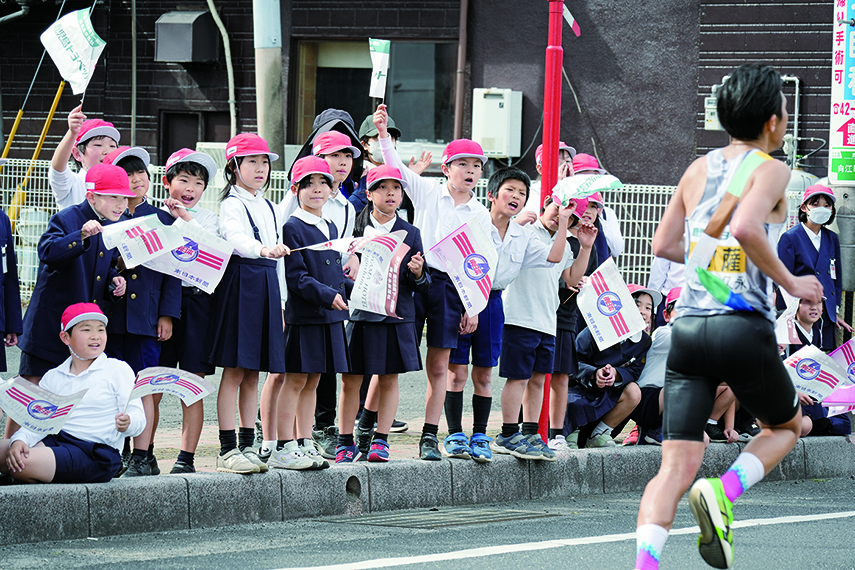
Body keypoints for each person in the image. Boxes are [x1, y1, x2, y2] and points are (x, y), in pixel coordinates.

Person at [633, 63, 823, 570]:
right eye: (785, 109)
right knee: (787, 426)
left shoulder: (696, 170)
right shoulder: (771, 167)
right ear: (772, 121)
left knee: (674, 468)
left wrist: (712, 262)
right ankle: (724, 492)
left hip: (688, 327)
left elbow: (664, 244)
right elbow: (745, 227)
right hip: (741, 326)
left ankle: (645, 565)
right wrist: (791, 282)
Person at [374, 103, 493, 460]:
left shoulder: (480, 213)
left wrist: (474, 305)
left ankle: (429, 435)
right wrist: (383, 134)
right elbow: (395, 168)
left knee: (440, 365)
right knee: (392, 358)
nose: (470, 171)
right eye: (462, 164)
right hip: (414, 279)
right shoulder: (428, 192)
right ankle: (371, 429)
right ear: (446, 168)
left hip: (452, 289)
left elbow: (480, 264)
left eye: (476, 166)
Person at [445, 168, 587, 462]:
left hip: (499, 303)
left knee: (485, 374)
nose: (516, 196)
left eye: (522, 193)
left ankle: (484, 436)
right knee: (456, 372)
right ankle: (456, 434)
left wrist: (565, 223)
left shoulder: (522, 235)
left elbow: (555, 259)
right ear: (492, 195)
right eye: (510, 190)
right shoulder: (477, 223)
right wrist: (469, 305)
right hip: (469, 297)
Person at [202, 133, 289, 475]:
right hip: (241, 283)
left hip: (267, 285)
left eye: (264, 161)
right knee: (235, 369)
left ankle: (248, 444)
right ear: (234, 167)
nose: (260, 168)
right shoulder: (231, 204)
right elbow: (235, 237)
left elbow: (279, 262)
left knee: (254, 371)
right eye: (252, 161)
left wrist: (281, 303)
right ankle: (227, 448)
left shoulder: (270, 206)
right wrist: (262, 249)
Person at [336, 165, 430, 463]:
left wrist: (418, 273)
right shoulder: (354, 227)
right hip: (360, 314)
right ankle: (344, 440)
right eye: (382, 187)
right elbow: (339, 270)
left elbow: (421, 283)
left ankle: (381, 439)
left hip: (396, 315)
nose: (391, 193)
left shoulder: (411, 232)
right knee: (351, 379)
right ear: (369, 193)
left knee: (389, 377)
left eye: (396, 188)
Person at [278, 130, 361, 461]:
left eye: (322, 183)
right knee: (295, 380)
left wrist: (359, 293)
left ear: (331, 189)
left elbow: (336, 273)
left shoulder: (330, 226)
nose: (316, 189)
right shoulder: (292, 226)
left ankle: (304, 440)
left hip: (330, 315)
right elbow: (297, 277)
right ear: (295, 189)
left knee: (313, 381)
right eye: (308, 183)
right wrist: (328, 296)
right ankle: (285, 444)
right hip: (306, 315)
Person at [492, 196, 594, 460]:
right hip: (519, 316)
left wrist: (585, 248)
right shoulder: (526, 230)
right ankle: (507, 433)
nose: (561, 217)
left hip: (547, 319)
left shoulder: (566, 243)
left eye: (570, 216)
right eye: (558, 209)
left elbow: (572, 277)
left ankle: (530, 433)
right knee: (518, 377)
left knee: (539, 379)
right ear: (546, 203)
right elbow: (547, 255)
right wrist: (522, 224)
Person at [101, 147, 181, 478]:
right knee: (114, 386)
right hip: (112, 317)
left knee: (144, 385)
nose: (135, 180)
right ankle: (117, 452)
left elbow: (173, 272)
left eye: (140, 173)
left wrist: (167, 314)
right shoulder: (108, 219)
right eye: (128, 174)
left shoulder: (162, 219)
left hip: (147, 317)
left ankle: (143, 455)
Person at [15, 164, 130, 395]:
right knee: (31, 388)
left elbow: (105, 265)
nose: (121, 204)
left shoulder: (112, 223)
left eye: (125, 198)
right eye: (113, 197)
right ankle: (12, 421)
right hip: (51, 322)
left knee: (71, 393)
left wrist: (114, 280)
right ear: (91, 197)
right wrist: (81, 234)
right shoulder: (67, 217)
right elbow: (47, 252)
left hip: (82, 327)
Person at [0, 303, 145, 483]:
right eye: (86, 329)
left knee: (21, 463)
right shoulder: (53, 376)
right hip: (55, 441)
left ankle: (26, 477)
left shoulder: (117, 369)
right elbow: (38, 422)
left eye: (101, 330)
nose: (95, 336)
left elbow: (138, 416)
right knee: (7, 452)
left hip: (96, 452)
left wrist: (128, 423)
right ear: (65, 337)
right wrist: (19, 440)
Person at [159, 148, 221, 474]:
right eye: (183, 180)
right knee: (153, 382)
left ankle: (186, 459)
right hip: (160, 306)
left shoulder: (208, 219)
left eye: (198, 183)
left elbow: (213, 248)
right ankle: (142, 454)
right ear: (167, 181)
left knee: (192, 384)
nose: (190, 188)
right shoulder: (155, 216)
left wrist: (185, 217)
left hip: (197, 305)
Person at [566, 285, 656, 449]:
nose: (642, 311)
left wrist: (616, 373)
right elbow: (572, 361)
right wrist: (594, 373)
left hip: (609, 392)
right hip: (581, 389)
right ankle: (569, 433)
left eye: (648, 308)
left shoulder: (644, 341)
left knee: (633, 391)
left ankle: (599, 434)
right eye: (636, 304)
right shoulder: (597, 328)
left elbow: (635, 370)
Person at [548, 198, 599, 451]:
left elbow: (590, 274)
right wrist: (564, 282)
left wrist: (585, 281)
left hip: (567, 315)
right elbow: (548, 269)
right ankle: (527, 426)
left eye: (594, 207)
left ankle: (556, 432)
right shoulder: (551, 234)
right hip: (543, 311)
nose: (588, 212)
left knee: (561, 375)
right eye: (585, 206)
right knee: (535, 375)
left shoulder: (587, 242)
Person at [777, 185, 852, 349]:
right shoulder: (790, 238)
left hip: (826, 315)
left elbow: (836, 278)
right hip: (800, 315)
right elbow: (782, 280)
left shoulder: (831, 238)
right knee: (801, 360)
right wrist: (786, 317)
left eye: (827, 205)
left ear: (832, 211)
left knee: (824, 358)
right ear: (804, 207)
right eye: (815, 204)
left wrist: (834, 311)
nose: (821, 209)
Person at [627, 287, 681, 446]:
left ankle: (656, 430)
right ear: (666, 315)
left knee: (703, 440)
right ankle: (655, 430)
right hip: (646, 397)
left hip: (665, 401)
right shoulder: (663, 334)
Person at [49, 106, 120, 210]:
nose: (107, 151)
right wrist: (72, 133)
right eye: (98, 145)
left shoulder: (121, 187)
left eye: (112, 146)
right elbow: (57, 168)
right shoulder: (73, 184)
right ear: (77, 154)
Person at [522, 141, 576, 214]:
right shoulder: (530, 193)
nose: (564, 166)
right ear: (540, 169)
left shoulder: (578, 191)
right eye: (557, 162)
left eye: (568, 161)